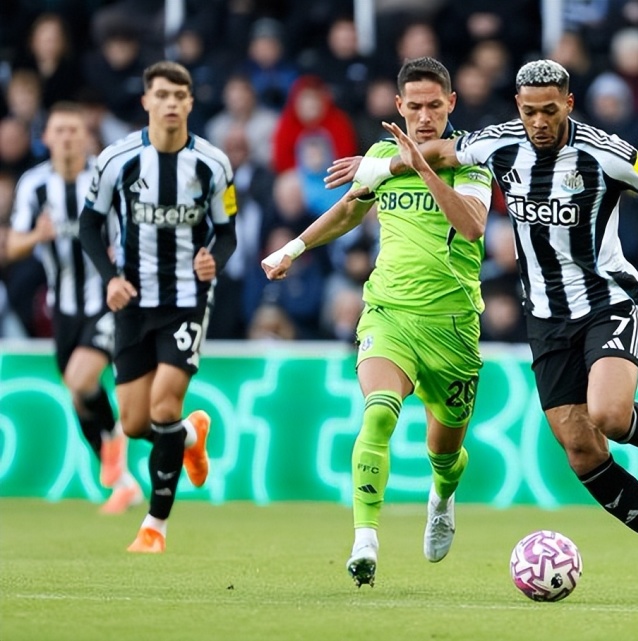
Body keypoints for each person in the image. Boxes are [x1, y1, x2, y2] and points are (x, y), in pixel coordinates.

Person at [330, 59, 638, 600]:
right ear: (517, 108)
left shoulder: (605, 153)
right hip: (546, 318)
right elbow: (438, 152)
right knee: (583, 452)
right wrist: (376, 167)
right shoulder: (497, 143)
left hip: (607, 301)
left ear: (568, 104)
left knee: (609, 415)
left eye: (549, 110)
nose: (539, 122)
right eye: (529, 112)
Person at [261, 57, 494, 588]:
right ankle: (365, 538)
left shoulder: (471, 157)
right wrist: (293, 248)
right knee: (379, 414)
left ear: (452, 103)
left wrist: (419, 167)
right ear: (398, 107)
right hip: (388, 313)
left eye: (434, 106)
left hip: (453, 326)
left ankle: (442, 497)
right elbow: (349, 211)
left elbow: (473, 226)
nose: (425, 116)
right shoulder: (379, 155)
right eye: (414, 107)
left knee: (445, 453)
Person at [78, 61, 238, 553]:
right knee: (134, 423)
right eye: (162, 95)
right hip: (132, 301)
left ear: (190, 103)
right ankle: (189, 435)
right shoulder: (117, 159)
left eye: (179, 95)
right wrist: (110, 279)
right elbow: (89, 225)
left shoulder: (213, 164)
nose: (171, 103)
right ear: (147, 101)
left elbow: (227, 232)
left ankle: (154, 526)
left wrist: (214, 259)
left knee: (165, 404)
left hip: (187, 300)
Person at [7, 101, 141, 514]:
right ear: (46, 137)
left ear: (86, 137)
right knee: (78, 395)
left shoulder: (107, 179)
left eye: (74, 130)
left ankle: (115, 444)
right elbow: (12, 245)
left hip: (107, 299)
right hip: (63, 308)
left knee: (81, 380)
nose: (67, 138)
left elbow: (135, 229)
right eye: (59, 130)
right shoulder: (34, 185)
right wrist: (37, 236)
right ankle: (122, 482)